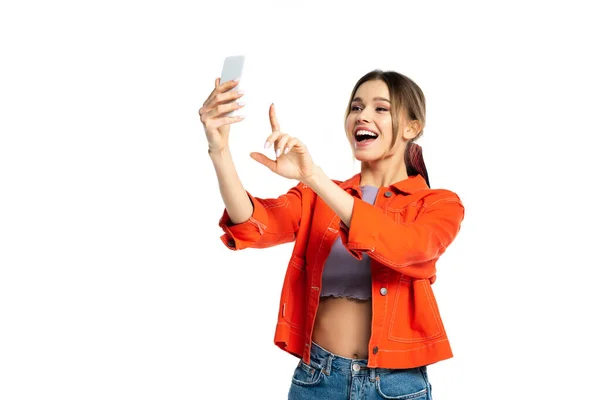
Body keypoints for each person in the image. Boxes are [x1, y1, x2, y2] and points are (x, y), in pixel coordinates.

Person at [198, 69, 465, 400]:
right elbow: (255, 224)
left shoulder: (437, 203)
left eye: (380, 108)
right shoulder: (319, 196)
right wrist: (219, 149)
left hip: (396, 386)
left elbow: (407, 249)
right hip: (318, 380)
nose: (362, 116)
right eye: (356, 107)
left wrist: (314, 177)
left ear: (412, 127)